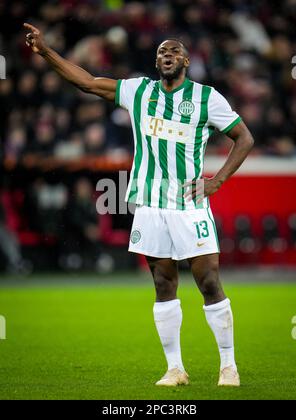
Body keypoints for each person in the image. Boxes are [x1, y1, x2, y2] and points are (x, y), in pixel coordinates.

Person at [24, 23, 254, 387]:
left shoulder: (207, 98)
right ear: (156, 60)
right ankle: (175, 369)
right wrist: (46, 51)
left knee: (208, 280)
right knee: (163, 283)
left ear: (186, 60)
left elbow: (244, 137)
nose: (167, 55)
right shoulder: (138, 91)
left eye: (174, 51)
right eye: (162, 51)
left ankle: (229, 366)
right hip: (149, 204)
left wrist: (218, 180)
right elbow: (86, 81)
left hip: (188, 204)